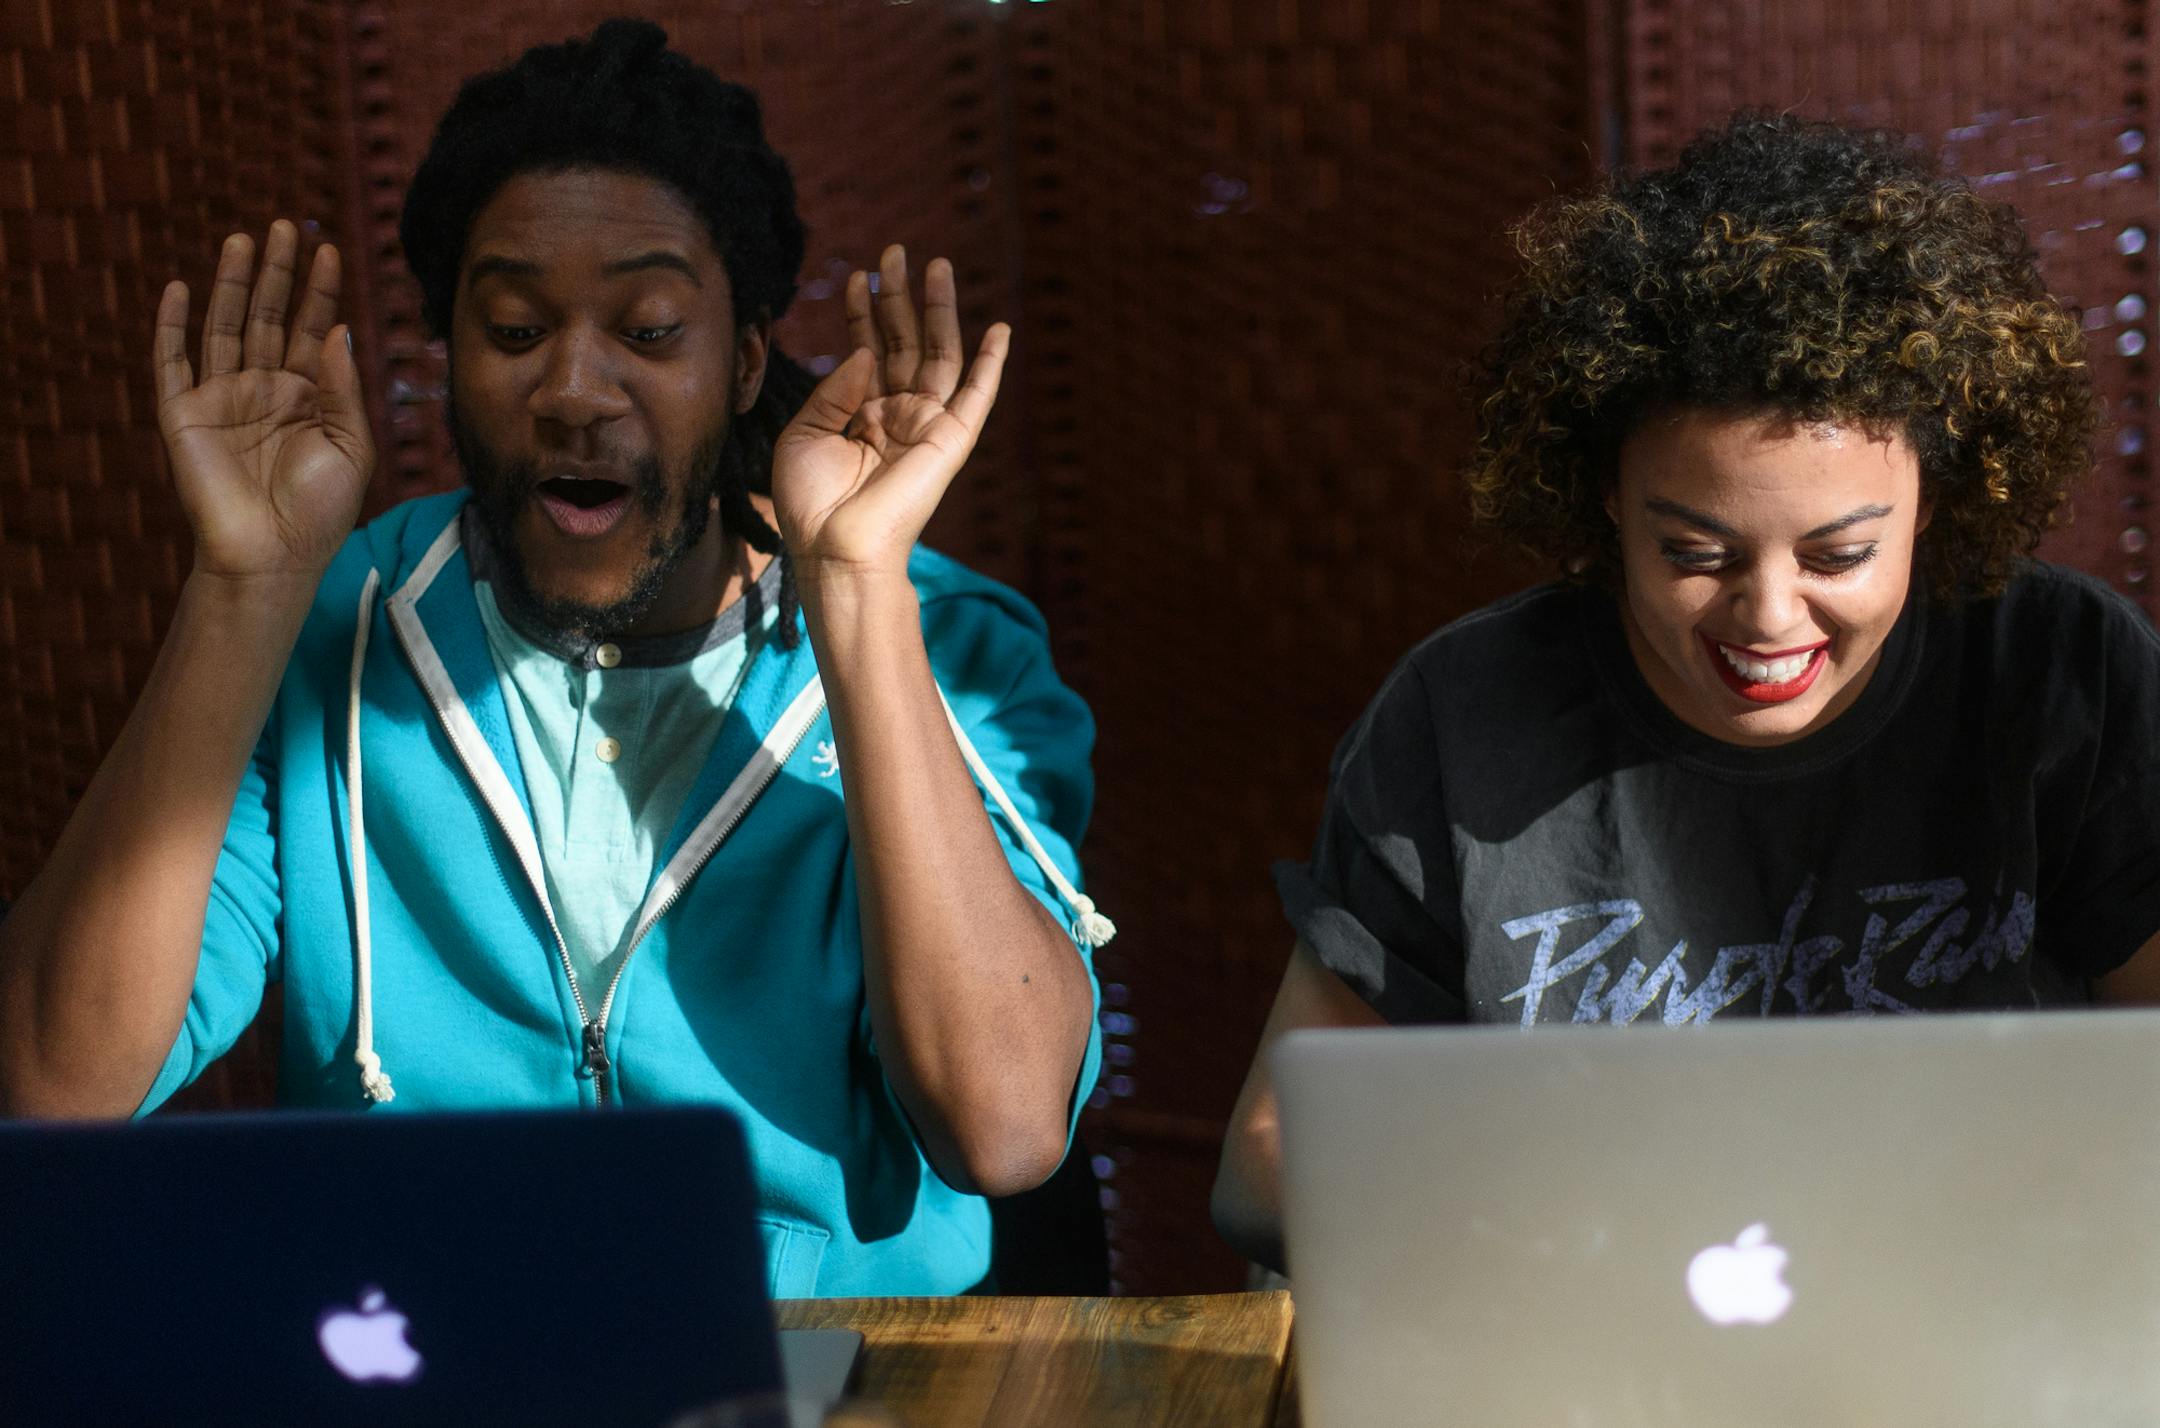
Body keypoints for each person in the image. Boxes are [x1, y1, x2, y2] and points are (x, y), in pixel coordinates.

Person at [0, 19, 1113, 1298]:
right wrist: (243, 589)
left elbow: (1007, 1126)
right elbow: (50, 1091)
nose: (574, 389)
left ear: (745, 359)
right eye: (517, 329)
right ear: (449, 358)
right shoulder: (331, 630)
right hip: (419, 1353)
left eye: (650, 330)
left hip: (830, 1365)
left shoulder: (950, 646)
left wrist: (855, 592)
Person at [1212, 113, 2160, 1273]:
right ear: (1608, 497)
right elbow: (1269, 1161)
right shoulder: (1465, 715)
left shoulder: (2061, 669)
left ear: (1935, 499)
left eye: (1839, 555)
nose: (1768, 617)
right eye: (1696, 554)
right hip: (1578, 1313)